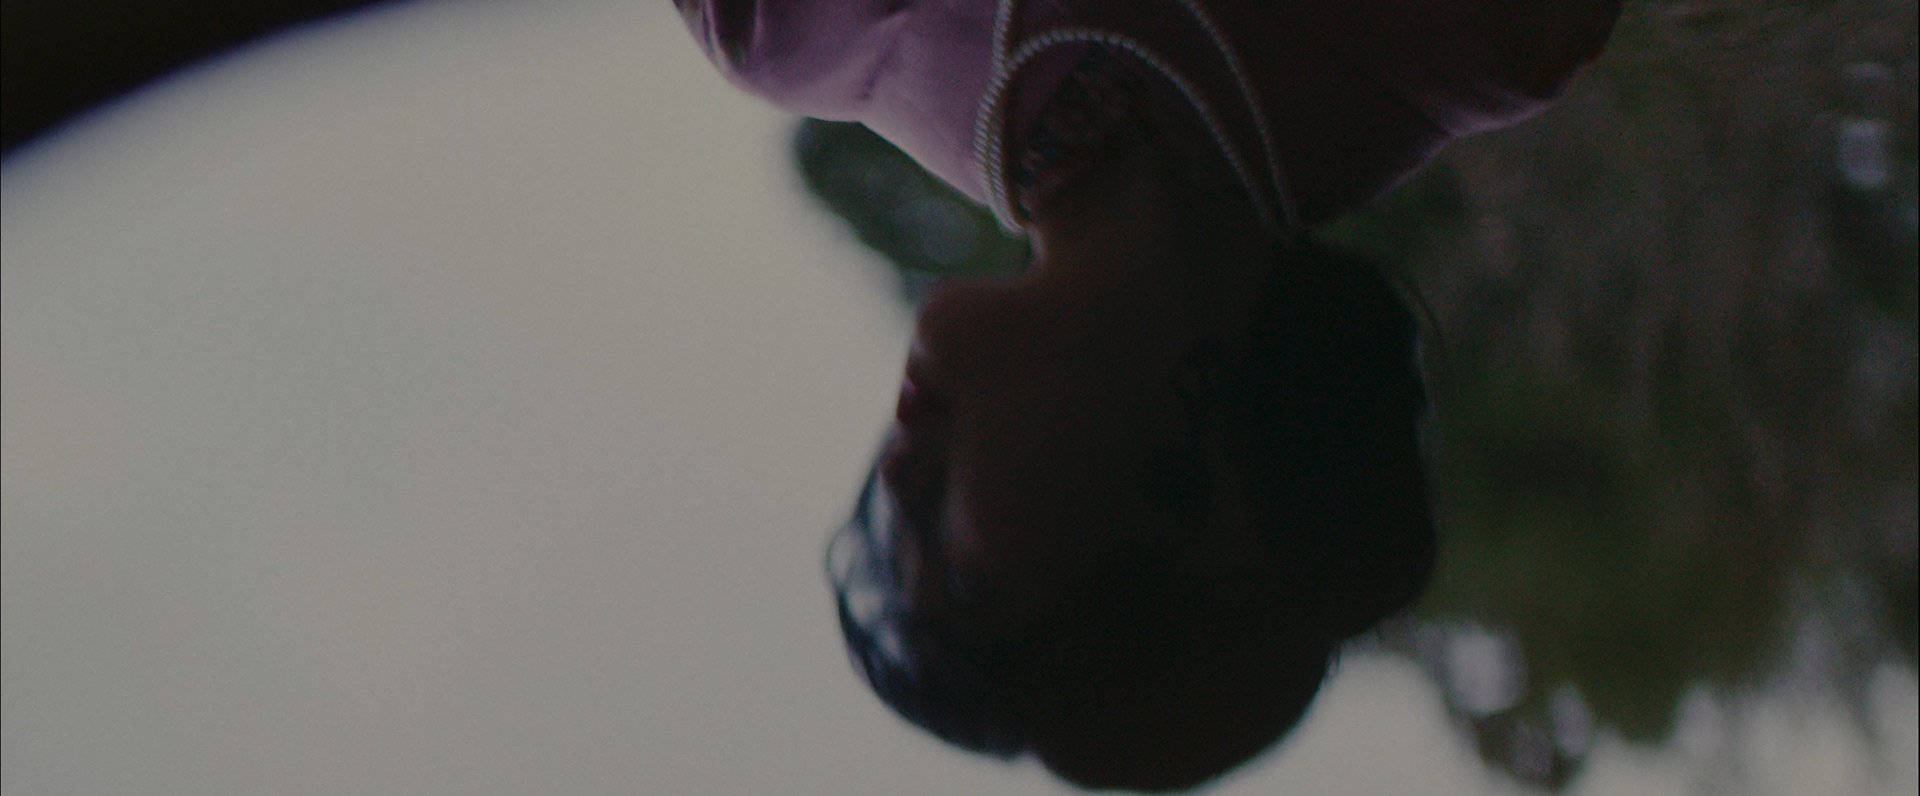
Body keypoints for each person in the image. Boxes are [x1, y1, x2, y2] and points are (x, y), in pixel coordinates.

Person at [677, 0, 1621, 790]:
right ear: (1213, 527)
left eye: (888, 540)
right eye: (963, 577)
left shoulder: (785, 26)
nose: (894, 480)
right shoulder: (1484, 32)